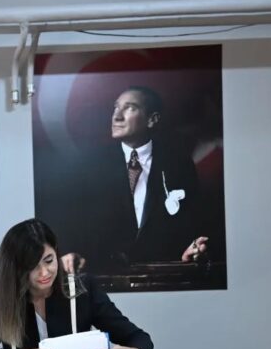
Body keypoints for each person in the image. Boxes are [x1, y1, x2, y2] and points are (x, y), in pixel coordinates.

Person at [0, 218, 153, 349]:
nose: (44, 272)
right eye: (33, 266)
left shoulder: (83, 290)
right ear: (16, 269)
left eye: (49, 261)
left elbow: (138, 338)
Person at [53, 86, 209, 273]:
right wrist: (69, 251)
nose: (116, 116)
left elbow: (192, 221)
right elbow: (71, 218)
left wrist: (189, 249)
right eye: (116, 107)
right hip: (103, 276)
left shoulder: (178, 164)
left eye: (130, 108)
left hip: (161, 276)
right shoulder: (89, 165)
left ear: (152, 119)